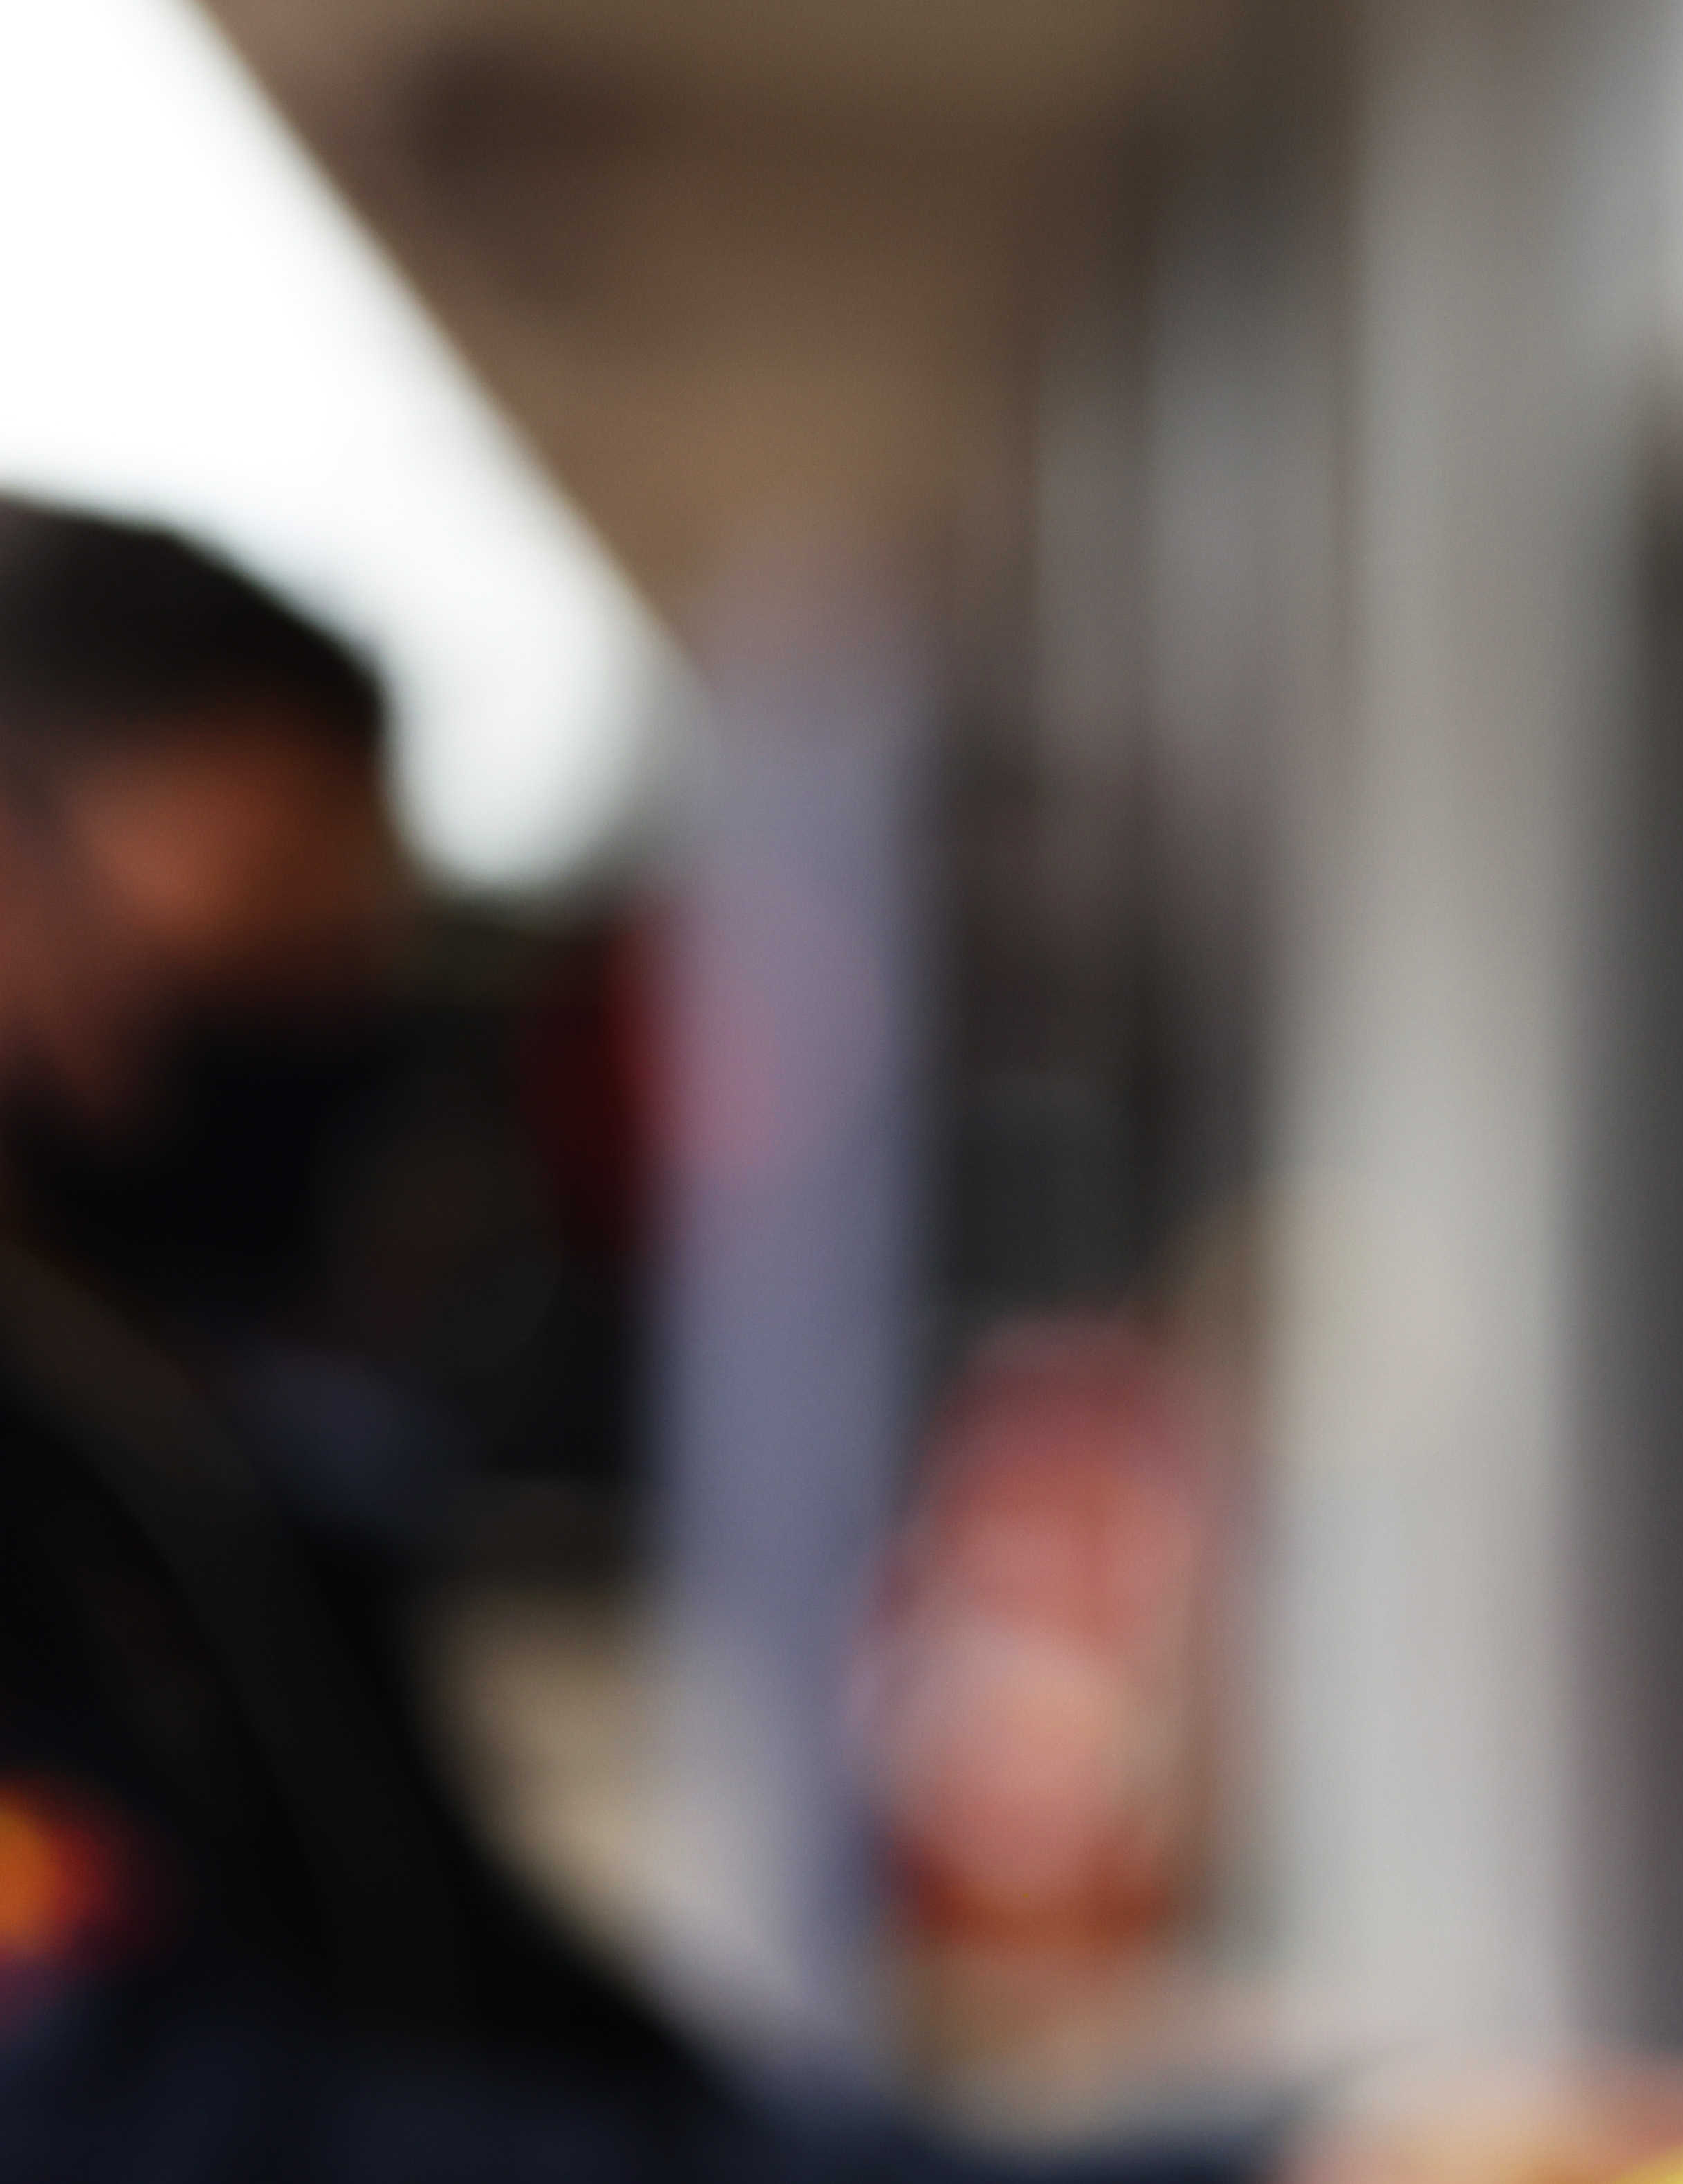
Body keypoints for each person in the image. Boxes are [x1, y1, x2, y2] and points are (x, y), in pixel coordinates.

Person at [0, 501, 1256, 2180]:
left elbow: (484, 2011)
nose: (342, 984)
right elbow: (152, 2133)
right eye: (265, 905)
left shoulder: (131, 1420)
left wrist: (1259, 2160)